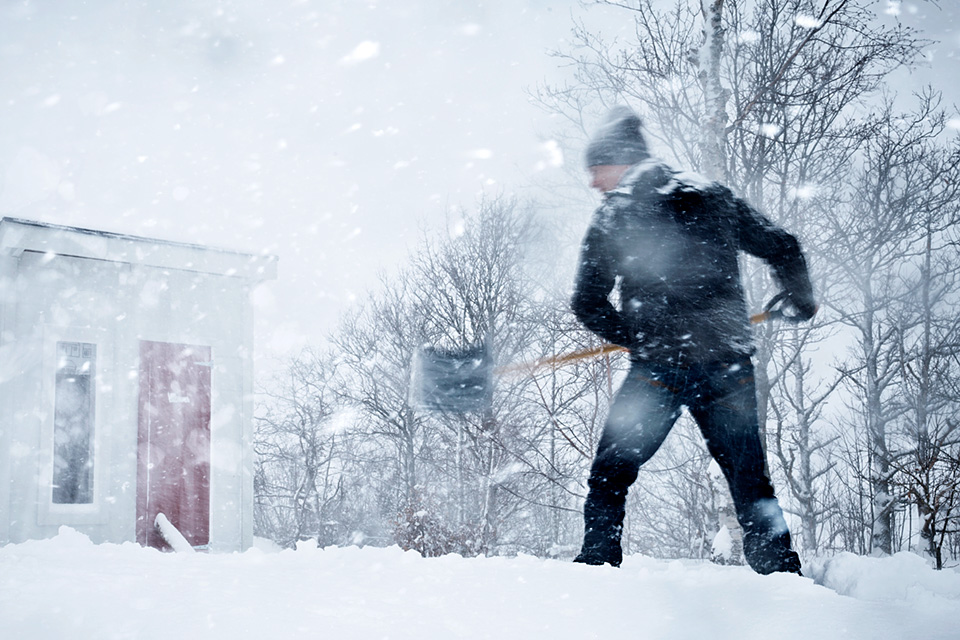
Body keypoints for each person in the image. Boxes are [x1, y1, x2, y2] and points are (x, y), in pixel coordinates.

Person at [571, 106, 816, 575]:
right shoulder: (713, 197)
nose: (593, 182)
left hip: (660, 368)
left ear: (620, 163)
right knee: (749, 480)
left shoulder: (615, 215)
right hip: (726, 359)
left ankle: (596, 571)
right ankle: (781, 580)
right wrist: (801, 298)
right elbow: (783, 246)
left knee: (610, 473)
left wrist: (638, 337)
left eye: (596, 170)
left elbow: (587, 302)